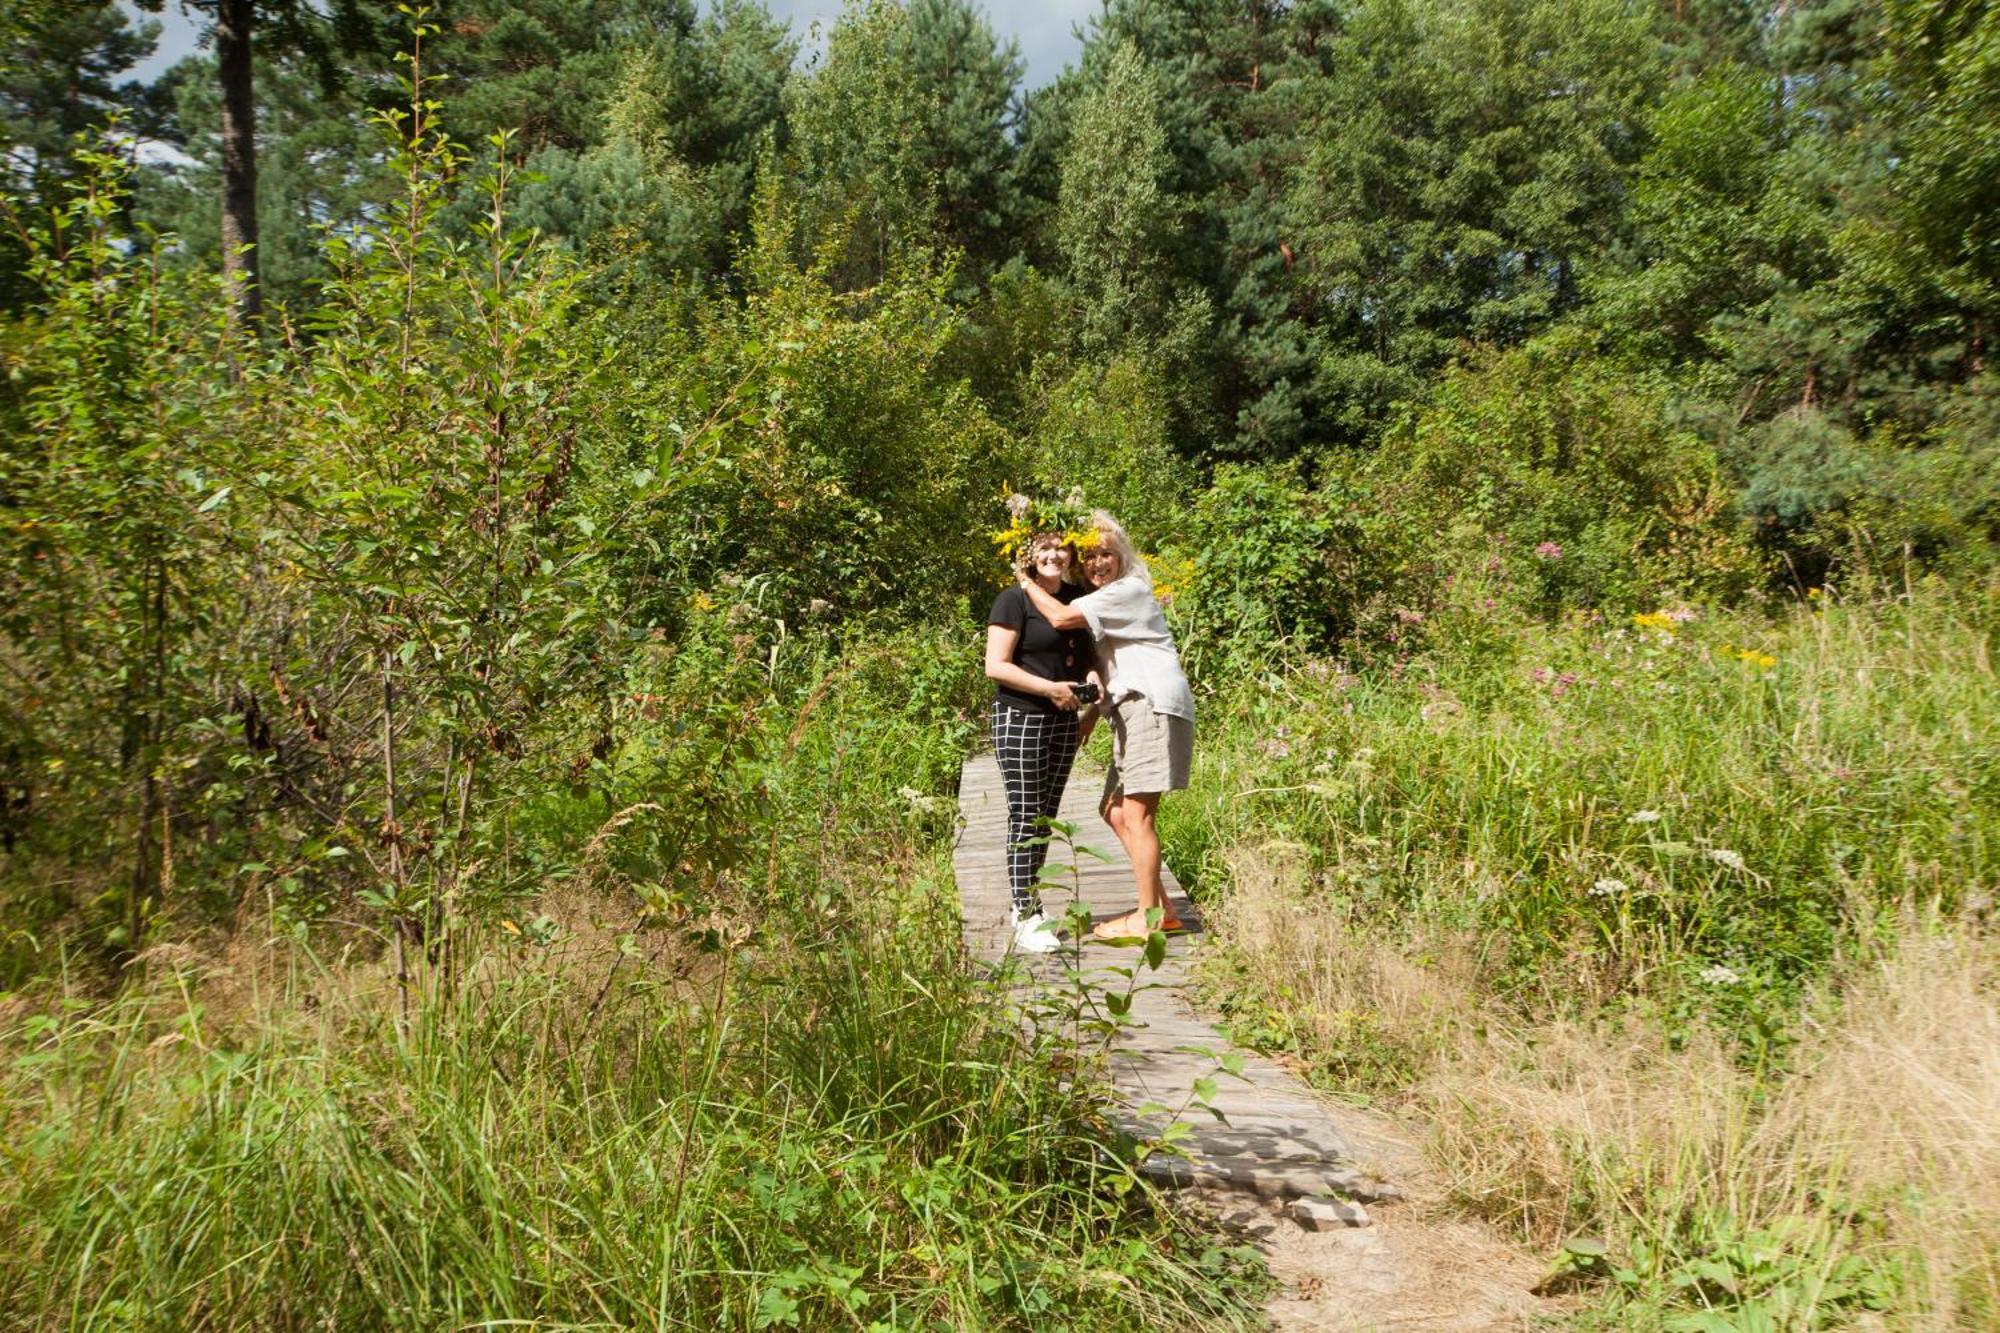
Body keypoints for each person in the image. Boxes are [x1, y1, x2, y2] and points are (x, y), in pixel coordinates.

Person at [1017, 511, 1192, 941]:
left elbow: (1058, 618)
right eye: (1090, 556)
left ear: (1123, 557)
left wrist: (1024, 582)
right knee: (1113, 810)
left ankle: (1148, 921)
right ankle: (1163, 907)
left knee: (1138, 815)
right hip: (1130, 708)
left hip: (1151, 705)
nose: (1098, 563)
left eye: (1107, 555)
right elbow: (1111, 667)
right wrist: (1090, 717)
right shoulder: (1109, 595)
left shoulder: (1128, 590)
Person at [984, 530, 1096, 953]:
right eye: (1043, 548)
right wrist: (1049, 688)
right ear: (1028, 554)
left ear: (1071, 553)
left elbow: (1086, 660)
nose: (1053, 555)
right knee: (1025, 813)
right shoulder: (1013, 599)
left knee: (1046, 815)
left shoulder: (1075, 597)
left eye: (1061, 547)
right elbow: (996, 666)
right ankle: (1023, 909)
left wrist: (1090, 683)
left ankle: (1030, 902)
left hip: (1064, 719)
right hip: (1021, 716)